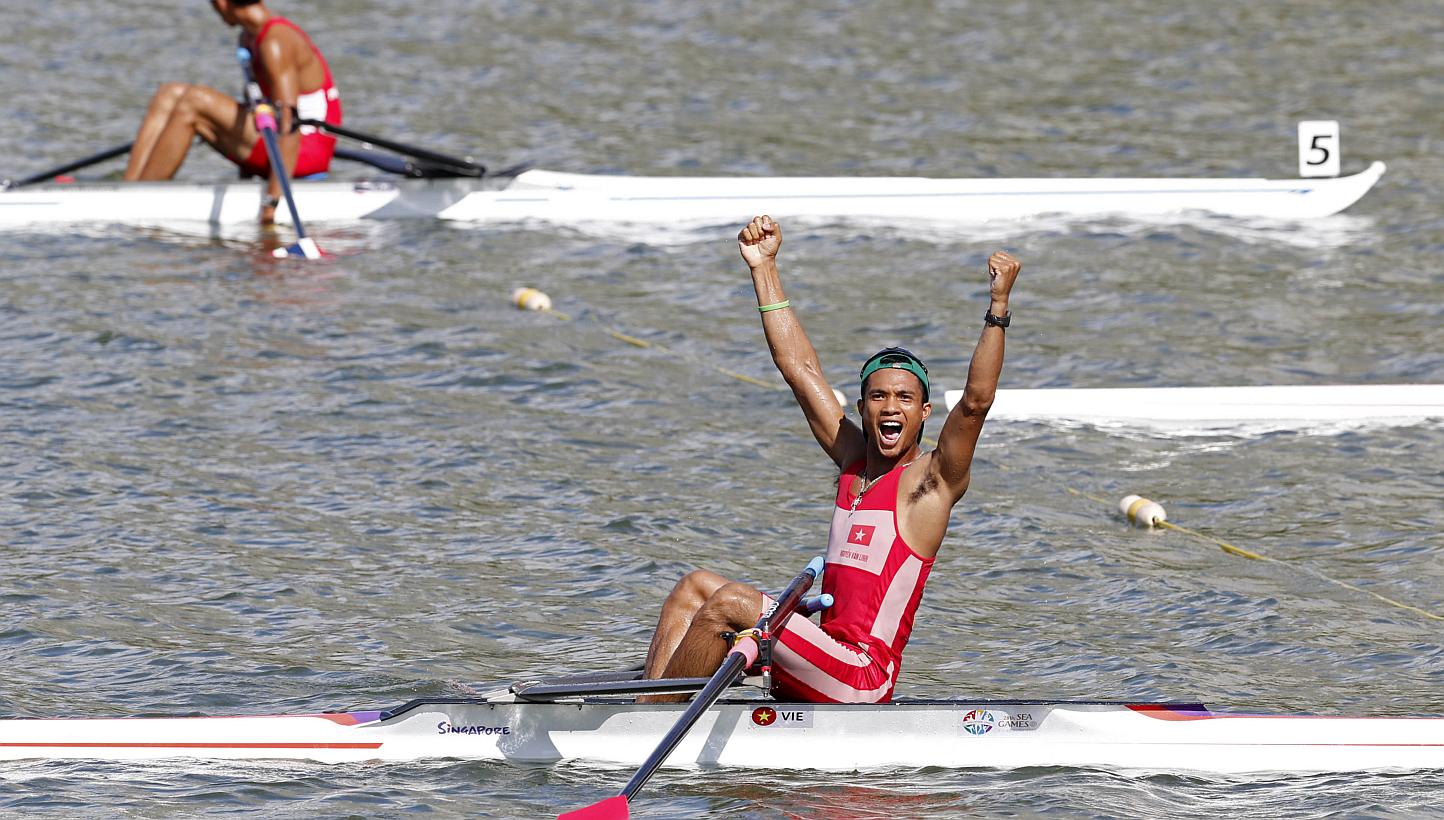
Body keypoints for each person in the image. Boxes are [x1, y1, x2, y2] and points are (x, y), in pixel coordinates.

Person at [640, 215, 1020, 704]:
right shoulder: (851, 460)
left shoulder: (932, 482)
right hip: (820, 654)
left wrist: (999, 307)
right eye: (878, 397)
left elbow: (975, 402)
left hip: (861, 674)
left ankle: (654, 719)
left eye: (904, 398)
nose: (890, 407)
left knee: (731, 603)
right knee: (693, 588)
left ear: (924, 413)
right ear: (862, 408)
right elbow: (799, 369)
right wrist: (764, 267)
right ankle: (648, 709)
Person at [122, 0, 342, 224]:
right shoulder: (249, 37)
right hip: (279, 143)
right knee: (168, 93)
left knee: (193, 102)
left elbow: (289, 124)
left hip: (305, 150)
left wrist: (272, 202)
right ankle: (128, 190)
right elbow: (257, 110)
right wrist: (247, 178)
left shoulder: (275, 42)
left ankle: (139, 203)